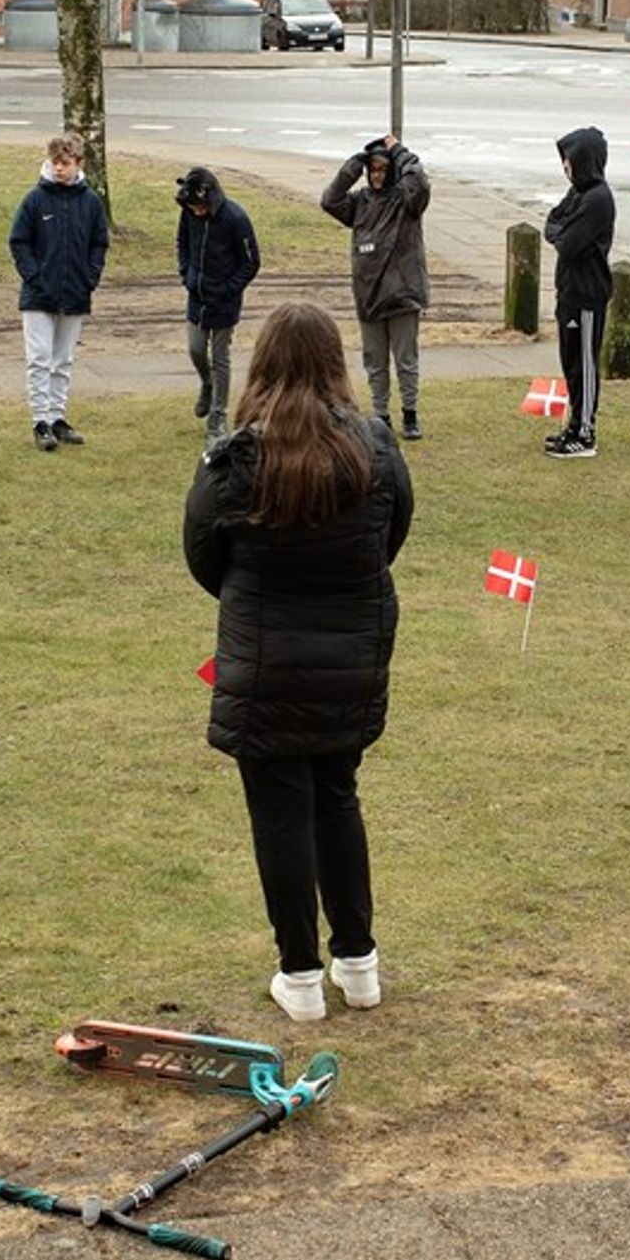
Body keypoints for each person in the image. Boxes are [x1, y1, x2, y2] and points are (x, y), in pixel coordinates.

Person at [184, 304, 414, 1022]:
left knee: (290, 811)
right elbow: (206, 555)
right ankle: (354, 962)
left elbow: (203, 554)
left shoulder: (251, 458)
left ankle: (309, 969)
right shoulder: (351, 449)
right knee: (334, 797)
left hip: (275, 657)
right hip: (342, 651)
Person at [320, 135, 431, 439]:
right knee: (375, 363)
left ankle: (410, 414)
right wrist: (354, 165)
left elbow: (420, 184)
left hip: (403, 295)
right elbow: (330, 200)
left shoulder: (406, 202)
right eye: (374, 170)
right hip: (369, 295)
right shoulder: (359, 202)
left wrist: (400, 152)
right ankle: (380, 416)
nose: (378, 175)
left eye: (384, 169)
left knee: (406, 361)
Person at [10, 132, 110, 452]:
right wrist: (34, 277)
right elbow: (19, 240)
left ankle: (57, 417)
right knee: (39, 359)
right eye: (55, 162)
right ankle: (40, 421)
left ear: (78, 163)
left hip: (76, 292)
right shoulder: (35, 200)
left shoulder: (91, 202)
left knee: (63, 360)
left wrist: (90, 276)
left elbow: (99, 243)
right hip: (39, 295)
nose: (59, 169)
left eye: (65, 163)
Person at [175, 166, 261, 446]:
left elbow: (251, 261)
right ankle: (207, 384)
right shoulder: (188, 214)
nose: (196, 213)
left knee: (220, 357)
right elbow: (182, 243)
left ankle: (217, 416)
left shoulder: (235, 218)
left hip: (224, 301)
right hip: (196, 296)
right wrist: (185, 273)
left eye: (199, 208)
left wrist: (229, 289)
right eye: (191, 208)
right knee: (196, 348)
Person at [543, 126, 614, 459]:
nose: (566, 168)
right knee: (570, 361)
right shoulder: (578, 193)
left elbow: (568, 243)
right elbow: (552, 222)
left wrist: (560, 231)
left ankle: (585, 432)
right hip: (569, 290)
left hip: (587, 294)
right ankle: (574, 424)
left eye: (570, 160)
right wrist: (559, 230)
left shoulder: (597, 198)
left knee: (584, 363)